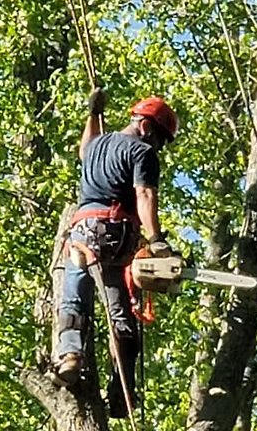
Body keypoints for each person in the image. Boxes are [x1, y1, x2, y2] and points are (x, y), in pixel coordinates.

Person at [53, 88, 179, 418]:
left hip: (85, 233)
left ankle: (70, 356)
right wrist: (156, 239)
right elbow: (145, 195)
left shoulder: (97, 144)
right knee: (120, 310)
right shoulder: (142, 151)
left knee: (74, 299)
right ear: (148, 127)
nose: (158, 148)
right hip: (119, 234)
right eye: (160, 139)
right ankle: (122, 387)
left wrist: (93, 114)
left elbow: (84, 150)